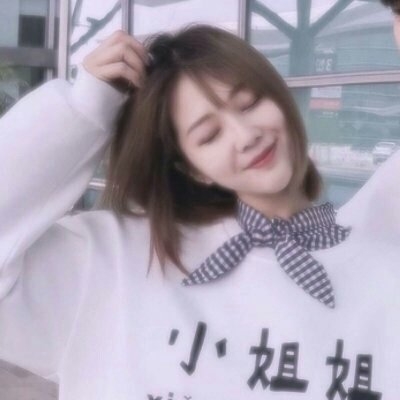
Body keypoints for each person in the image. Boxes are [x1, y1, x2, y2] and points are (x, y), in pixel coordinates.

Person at [0, 22, 399, 400]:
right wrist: (83, 108)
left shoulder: (380, 267)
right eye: (209, 135)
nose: (246, 135)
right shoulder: (114, 259)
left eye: (250, 103)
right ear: (191, 168)